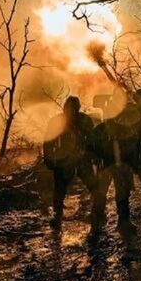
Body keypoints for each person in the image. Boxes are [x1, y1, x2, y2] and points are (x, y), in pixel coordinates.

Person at [42, 96, 96, 231]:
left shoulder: (84, 120)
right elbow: (48, 141)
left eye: (73, 108)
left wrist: (92, 155)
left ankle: (98, 212)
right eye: (69, 107)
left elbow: (92, 140)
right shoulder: (58, 121)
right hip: (64, 160)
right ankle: (57, 215)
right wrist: (49, 158)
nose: (71, 110)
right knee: (60, 190)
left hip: (80, 159)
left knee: (92, 186)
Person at [89, 97, 140, 236]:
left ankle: (100, 221)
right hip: (112, 166)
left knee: (106, 194)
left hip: (110, 166)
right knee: (116, 194)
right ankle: (119, 221)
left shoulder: (101, 130)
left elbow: (90, 149)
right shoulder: (119, 130)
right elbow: (130, 149)